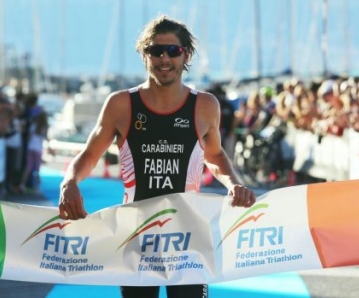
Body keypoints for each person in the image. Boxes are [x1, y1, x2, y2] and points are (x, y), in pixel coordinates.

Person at [58, 15, 256, 298]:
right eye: (155, 50)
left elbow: (215, 155)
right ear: (144, 54)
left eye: (173, 51)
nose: (165, 58)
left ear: (185, 54)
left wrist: (234, 184)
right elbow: (89, 154)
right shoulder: (121, 104)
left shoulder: (204, 105)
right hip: (137, 236)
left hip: (188, 238)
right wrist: (69, 183)